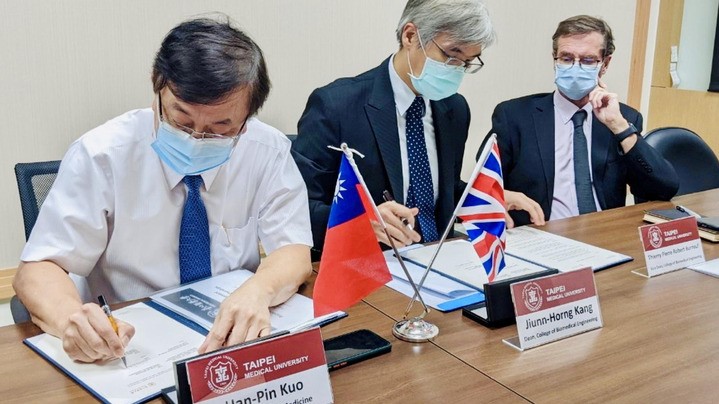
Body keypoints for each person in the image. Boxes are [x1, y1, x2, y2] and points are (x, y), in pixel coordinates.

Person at [13, 17, 313, 363]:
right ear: (157, 87)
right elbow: (37, 270)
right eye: (181, 120)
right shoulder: (101, 155)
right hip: (130, 344)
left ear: (246, 120)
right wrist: (73, 321)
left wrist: (259, 290)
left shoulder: (267, 150)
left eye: (220, 128)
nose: (196, 139)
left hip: (228, 340)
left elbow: (293, 249)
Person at [292, 0, 542, 256]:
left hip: (439, 257)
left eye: (467, 62)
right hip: (368, 261)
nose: (457, 70)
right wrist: (358, 222)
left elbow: (438, 193)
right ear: (410, 36)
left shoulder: (454, 108)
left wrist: (486, 198)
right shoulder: (337, 106)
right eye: (452, 55)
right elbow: (297, 209)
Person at [486, 15, 679, 227]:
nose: (575, 68)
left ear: (605, 64)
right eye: (566, 58)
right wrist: (502, 195)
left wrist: (620, 127)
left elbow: (663, 189)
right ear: (554, 59)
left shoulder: (623, 118)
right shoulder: (514, 116)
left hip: (603, 233)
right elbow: (480, 187)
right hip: (540, 232)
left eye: (587, 60)